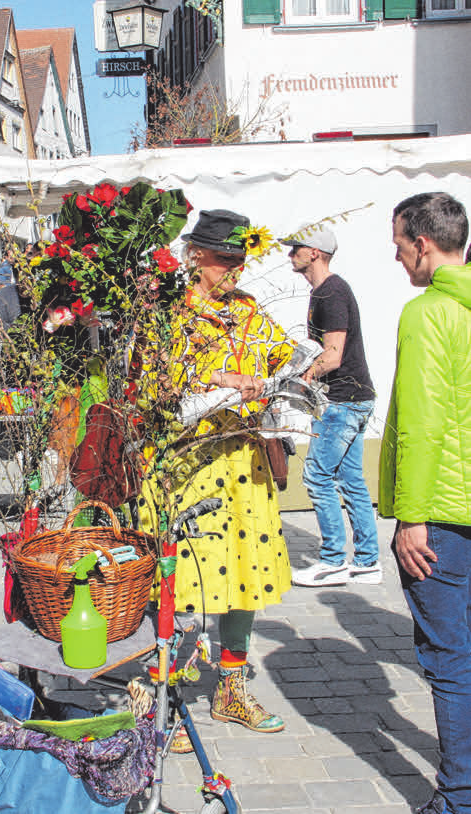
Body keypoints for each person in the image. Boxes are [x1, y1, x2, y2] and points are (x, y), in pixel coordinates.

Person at [138, 209, 296, 734]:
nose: (236, 271)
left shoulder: (249, 310)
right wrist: (221, 376)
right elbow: (152, 381)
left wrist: (301, 368)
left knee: (244, 574)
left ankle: (231, 689)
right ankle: (166, 699)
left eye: (241, 260)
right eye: (226, 260)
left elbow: (278, 356)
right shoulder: (168, 311)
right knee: (182, 577)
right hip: (189, 461)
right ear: (195, 257)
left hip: (241, 461)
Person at [381, 192, 471, 814]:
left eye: (398, 244)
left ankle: (459, 797)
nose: (395, 256)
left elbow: (420, 422)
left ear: (423, 244)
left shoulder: (428, 312)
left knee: (449, 659)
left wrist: (412, 518)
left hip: (440, 507)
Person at [280, 227, 380, 587]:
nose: (290, 254)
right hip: (355, 397)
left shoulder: (331, 293)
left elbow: (333, 356)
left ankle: (333, 560)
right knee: (350, 478)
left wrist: (301, 378)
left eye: (296, 249)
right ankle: (368, 562)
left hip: (343, 400)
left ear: (316, 253)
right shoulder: (325, 292)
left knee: (318, 476)